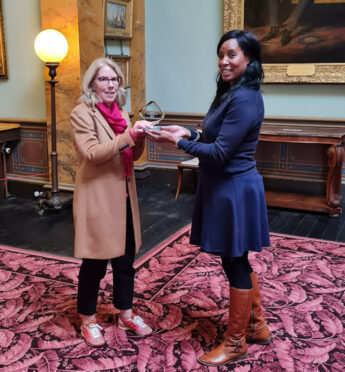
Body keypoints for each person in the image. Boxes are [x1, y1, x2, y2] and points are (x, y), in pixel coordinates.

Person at [146, 30, 271, 366]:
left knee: (234, 260)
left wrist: (178, 144)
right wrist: (188, 133)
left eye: (231, 54)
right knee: (236, 259)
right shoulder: (233, 93)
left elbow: (218, 153)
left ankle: (235, 343)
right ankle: (257, 326)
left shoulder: (245, 98)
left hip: (234, 189)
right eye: (221, 54)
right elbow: (214, 135)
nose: (224, 61)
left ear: (248, 58)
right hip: (224, 187)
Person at [70, 57, 153, 347]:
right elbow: (92, 153)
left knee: (125, 262)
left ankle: (125, 314)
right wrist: (129, 135)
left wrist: (140, 137)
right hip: (97, 198)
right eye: (103, 79)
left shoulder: (121, 112)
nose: (110, 84)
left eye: (114, 79)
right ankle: (88, 319)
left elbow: (131, 155)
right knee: (94, 263)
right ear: (91, 83)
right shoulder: (82, 113)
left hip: (124, 199)